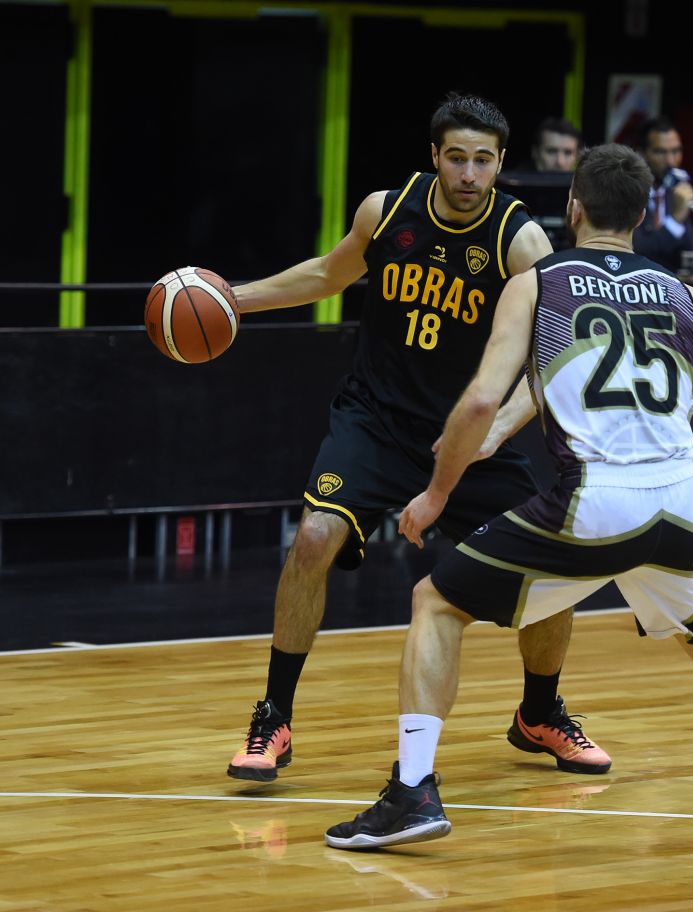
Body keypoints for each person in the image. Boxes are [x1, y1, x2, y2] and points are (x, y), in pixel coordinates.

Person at [325, 143, 693, 850]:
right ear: (643, 214)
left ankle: (412, 792)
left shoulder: (539, 282)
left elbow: (482, 398)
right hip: (680, 502)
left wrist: (435, 493)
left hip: (596, 498)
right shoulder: (686, 296)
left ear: (574, 207)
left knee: (436, 602)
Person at [225, 93, 611, 784]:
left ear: (501, 163)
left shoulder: (520, 242)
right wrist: (235, 297)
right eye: (456, 158)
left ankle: (539, 712)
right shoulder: (386, 210)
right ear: (434, 156)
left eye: (483, 161)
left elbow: (555, 358)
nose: (469, 174)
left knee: (552, 566)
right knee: (313, 537)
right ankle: (273, 716)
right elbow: (328, 274)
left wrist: (498, 427)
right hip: (374, 420)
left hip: (462, 437)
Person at [631, 115, 693, 271]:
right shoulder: (629, 194)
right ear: (641, 153)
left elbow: (692, 249)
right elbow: (637, 249)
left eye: (676, 151)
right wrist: (675, 219)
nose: (671, 161)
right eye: (661, 152)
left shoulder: (673, 194)